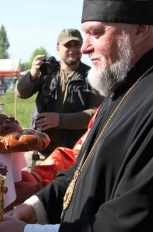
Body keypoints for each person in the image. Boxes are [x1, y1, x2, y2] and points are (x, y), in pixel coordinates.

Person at [0, 0, 153, 232]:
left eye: (96, 32)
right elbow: (85, 169)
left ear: (140, 28)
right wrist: (38, 207)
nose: (84, 47)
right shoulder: (124, 84)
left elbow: (136, 226)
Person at [16, 28, 103, 157]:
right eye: (67, 45)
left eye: (76, 45)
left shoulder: (92, 75)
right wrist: (32, 74)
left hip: (73, 153)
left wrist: (60, 120)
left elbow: (97, 113)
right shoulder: (46, 70)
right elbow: (21, 94)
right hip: (40, 150)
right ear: (57, 48)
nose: (72, 50)